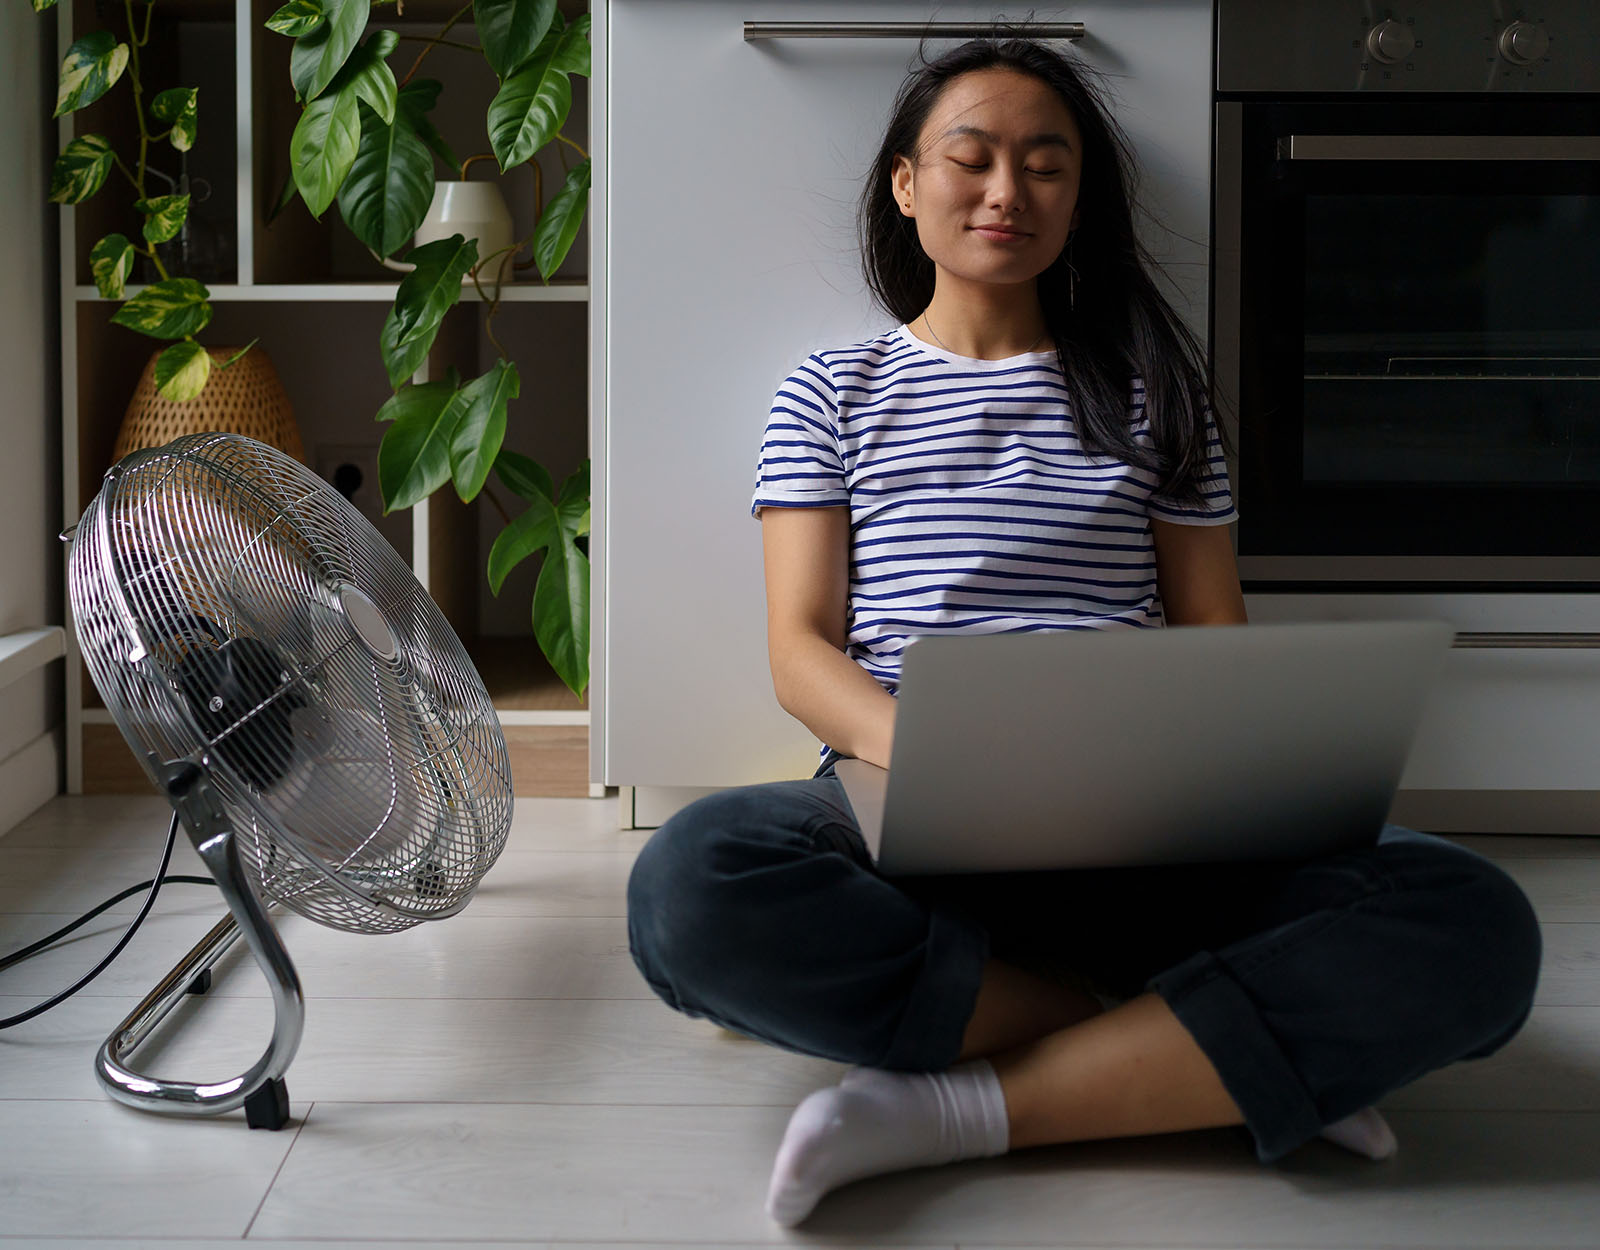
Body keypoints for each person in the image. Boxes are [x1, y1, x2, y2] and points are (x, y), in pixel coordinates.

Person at [626, 33, 1542, 1228]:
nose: (1008, 191)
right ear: (907, 184)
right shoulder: (834, 386)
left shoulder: (1155, 390)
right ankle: (1212, 1054)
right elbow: (802, 650)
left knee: (1475, 924)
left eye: (1045, 165)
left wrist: (1202, 778)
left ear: (1080, 198)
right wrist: (949, 763)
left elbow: (1216, 634)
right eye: (973, 158)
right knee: (688, 887)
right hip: (910, 800)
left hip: (1151, 822)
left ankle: (954, 1105)